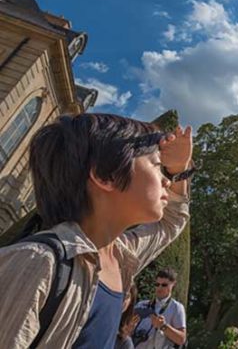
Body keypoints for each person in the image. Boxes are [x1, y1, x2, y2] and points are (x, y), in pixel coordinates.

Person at [0, 113, 194, 348]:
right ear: (106, 175)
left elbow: (171, 222)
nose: (166, 181)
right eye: (157, 165)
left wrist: (179, 169)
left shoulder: (120, 256)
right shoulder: (37, 264)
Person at [132, 268, 187, 348]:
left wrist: (163, 326)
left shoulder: (177, 307)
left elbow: (181, 339)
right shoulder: (141, 305)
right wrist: (129, 328)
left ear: (173, 284)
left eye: (164, 285)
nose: (159, 288)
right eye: (157, 284)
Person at [116, 284, 140, 349]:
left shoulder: (125, 342)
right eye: (121, 294)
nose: (123, 299)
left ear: (131, 302)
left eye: (126, 296)